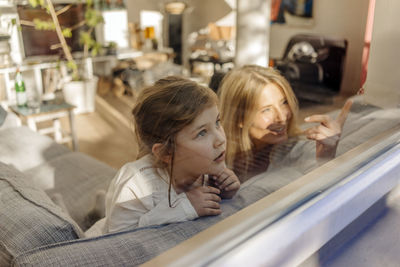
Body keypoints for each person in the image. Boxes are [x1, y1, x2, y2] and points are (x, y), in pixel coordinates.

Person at [86, 76, 240, 236]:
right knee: (97, 225)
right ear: (166, 152)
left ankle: (100, 209)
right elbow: (122, 241)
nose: (220, 139)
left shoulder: (207, 162)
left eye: (217, 122)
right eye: (202, 132)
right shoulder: (135, 184)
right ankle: (96, 214)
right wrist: (184, 208)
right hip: (103, 234)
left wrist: (224, 191)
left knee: (104, 213)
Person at [218, 65, 352, 182]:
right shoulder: (217, 156)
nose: (282, 117)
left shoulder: (299, 151)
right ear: (239, 118)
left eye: (284, 102)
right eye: (267, 110)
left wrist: (326, 156)